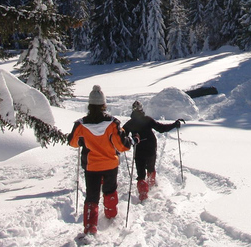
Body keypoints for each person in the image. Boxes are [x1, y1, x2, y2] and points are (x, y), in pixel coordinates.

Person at [67, 85, 131, 236]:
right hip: (110, 164)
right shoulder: (112, 123)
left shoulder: (81, 125)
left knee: (92, 196)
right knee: (110, 190)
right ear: (104, 105)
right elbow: (122, 146)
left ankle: (90, 227)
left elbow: (72, 143)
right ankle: (110, 214)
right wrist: (130, 141)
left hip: (91, 166)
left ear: (89, 105)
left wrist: (82, 141)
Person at [123, 101, 181, 201]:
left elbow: (121, 135)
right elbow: (161, 128)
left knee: (140, 173)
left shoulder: (130, 123)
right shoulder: (147, 120)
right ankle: (151, 184)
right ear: (141, 109)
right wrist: (174, 125)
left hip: (139, 148)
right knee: (150, 167)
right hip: (150, 147)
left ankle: (143, 192)